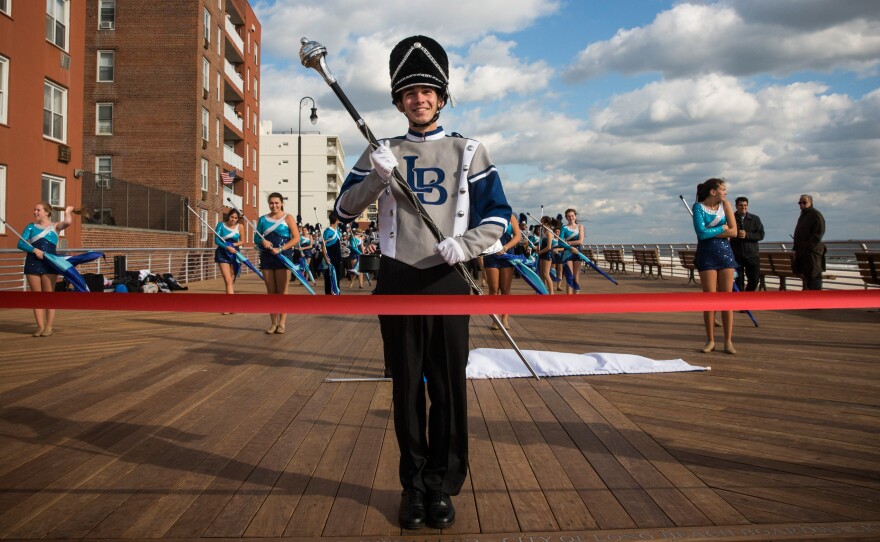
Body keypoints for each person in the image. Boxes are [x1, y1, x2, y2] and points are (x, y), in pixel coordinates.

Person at [334, 35, 512, 531]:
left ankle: (443, 484)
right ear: (398, 101)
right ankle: (412, 486)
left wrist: (469, 245)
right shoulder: (380, 149)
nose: (419, 99)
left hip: (448, 276)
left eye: (428, 90)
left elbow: (499, 216)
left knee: (450, 387)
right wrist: (373, 178)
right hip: (397, 276)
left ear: (442, 96)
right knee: (407, 386)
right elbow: (343, 211)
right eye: (410, 92)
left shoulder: (469, 150)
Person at [692, 178, 738, 354]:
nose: (725, 192)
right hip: (706, 255)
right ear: (713, 191)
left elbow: (733, 231)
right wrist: (721, 229)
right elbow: (701, 234)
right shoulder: (698, 207)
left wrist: (717, 232)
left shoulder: (725, 206)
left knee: (727, 299)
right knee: (709, 299)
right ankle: (710, 340)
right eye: (723, 189)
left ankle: (728, 340)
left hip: (725, 255)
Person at [17, 202, 74, 337]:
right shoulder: (30, 227)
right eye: (34, 209)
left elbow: (67, 222)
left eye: (38, 210)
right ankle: (40, 326)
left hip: (49, 263)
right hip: (32, 262)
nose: (35, 212)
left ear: (47, 212)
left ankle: (49, 326)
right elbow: (20, 243)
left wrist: (68, 212)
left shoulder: (55, 226)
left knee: (48, 295)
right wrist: (33, 249)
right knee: (36, 296)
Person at [254, 192, 300, 334]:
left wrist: (281, 249)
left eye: (276, 203)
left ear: (281, 203)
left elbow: (296, 238)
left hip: (283, 257)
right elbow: (256, 238)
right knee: (271, 291)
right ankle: (273, 323)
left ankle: (282, 323)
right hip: (267, 256)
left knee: (282, 291)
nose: (274, 205)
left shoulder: (288, 218)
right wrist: (263, 241)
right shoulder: (262, 219)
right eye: (271, 203)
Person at [482, 213, 522, 329]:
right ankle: (495, 320)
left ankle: (505, 319)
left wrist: (505, 248)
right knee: (493, 289)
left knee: (505, 289)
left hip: (507, 254)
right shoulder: (487, 214)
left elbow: (517, 236)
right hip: (491, 253)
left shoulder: (510, 216)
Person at [730, 197, 765, 292]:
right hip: (737, 255)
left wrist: (747, 235)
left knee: (754, 279)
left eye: (745, 205)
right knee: (738, 280)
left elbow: (761, 235)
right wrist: (736, 235)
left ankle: (748, 296)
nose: (743, 207)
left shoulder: (755, 219)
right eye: (741, 205)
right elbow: (727, 234)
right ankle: (740, 301)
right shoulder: (731, 219)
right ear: (736, 206)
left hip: (752, 255)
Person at [793, 194, 826, 291]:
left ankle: (816, 303)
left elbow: (819, 233)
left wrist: (808, 247)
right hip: (804, 253)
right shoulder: (803, 215)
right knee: (808, 278)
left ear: (810, 202)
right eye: (800, 203)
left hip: (812, 253)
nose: (801, 205)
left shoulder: (815, 214)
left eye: (804, 202)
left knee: (814, 277)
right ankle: (809, 302)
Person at [214, 208, 243, 299]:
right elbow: (216, 240)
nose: (233, 219)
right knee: (228, 280)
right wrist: (227, 246)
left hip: (234, 253)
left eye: (235, 218)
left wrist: (233, 244)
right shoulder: (221, 225)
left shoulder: (240, 227)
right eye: (231, 217)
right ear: (228, 216)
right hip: (223, 252)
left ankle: (229, 301)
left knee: (232, 279)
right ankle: (230, 304)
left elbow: (242, 241)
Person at [561, 208, 585, 294]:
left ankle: (576, 300)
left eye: (572, 216)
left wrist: (568, 242)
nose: (571, 218)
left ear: (575, 216)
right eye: (569, 216)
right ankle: (569, 300)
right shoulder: (564, 227)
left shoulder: (580, 227)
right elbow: (561, 242)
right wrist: (569, 246)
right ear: (566, 217)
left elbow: (580, 241)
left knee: (576, 277)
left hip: (577, 252)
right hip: (567, 253)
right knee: (569, 277)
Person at [322, 212, 343, 295]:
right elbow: (323, 245)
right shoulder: (328, 231)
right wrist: (326, 257)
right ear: (336, 220)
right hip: (330, 256)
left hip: (337, 256)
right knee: (329, 277)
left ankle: (337, 292)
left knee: (337, 276)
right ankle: (329, 295)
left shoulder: (338, 230)